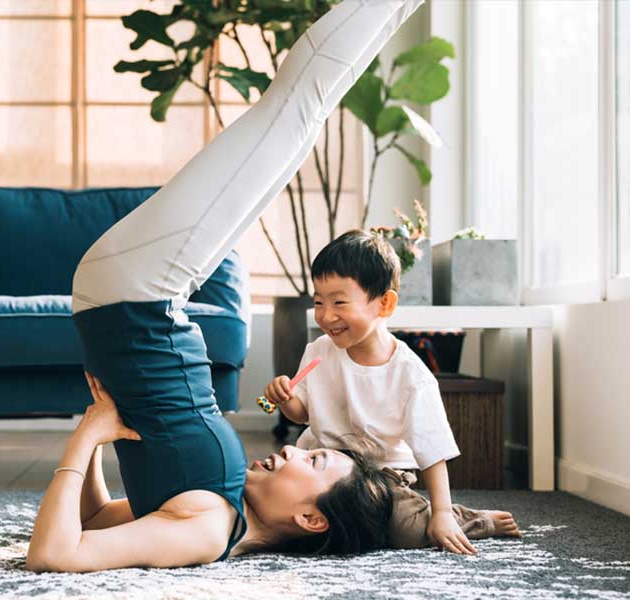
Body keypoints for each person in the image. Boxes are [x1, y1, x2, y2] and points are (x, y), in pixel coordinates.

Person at [26, 0, 426, 572]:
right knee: (296, 117)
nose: (293, 448)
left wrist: (89, 436)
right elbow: (95, 521)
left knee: (294, 108)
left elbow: (55, 552)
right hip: (142, 294)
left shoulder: (209, 528)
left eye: (311, 464)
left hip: (139, 292)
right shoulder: (218, 510)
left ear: (310, 519)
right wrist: (96, 436)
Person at [263, 230, 522, 555]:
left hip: (379, 479)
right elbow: (302, 414)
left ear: (384, 304)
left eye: (339, 302)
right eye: (318, 302)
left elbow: (432, 451)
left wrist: (441, 513)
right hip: (325, 470)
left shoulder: (411, 375)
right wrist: (286, 399)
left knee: (408, 530)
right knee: (286, 510)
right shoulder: (318, 351)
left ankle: (466, 519)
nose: (326, 315)